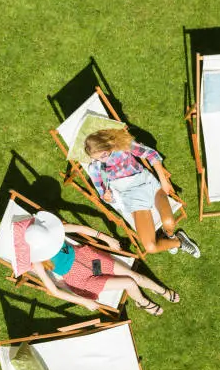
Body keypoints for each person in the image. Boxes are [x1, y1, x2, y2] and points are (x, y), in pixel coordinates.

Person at [12, 211, 179, 316]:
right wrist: (84, 302)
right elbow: (54, 290)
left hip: (89, 259)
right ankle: (142, 302)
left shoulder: (52, 229)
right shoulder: (37, 259)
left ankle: (161, 291)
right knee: (129, 282)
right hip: (81, 279)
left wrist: (106, 238)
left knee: (134, 276)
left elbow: (80, 229)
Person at [84, 129, 200, 258]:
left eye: (103, 155)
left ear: (107, 145)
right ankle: (177, 242)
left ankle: (171, 235)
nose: (102, 160)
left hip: (148, 183)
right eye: (97, 158)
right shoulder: (95, 168)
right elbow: (103, 193)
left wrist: (164, 181)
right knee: (150, 247)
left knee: (169, 223)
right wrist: (108, 198)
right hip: (132, 198)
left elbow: (151, 154)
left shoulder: (123, 145)